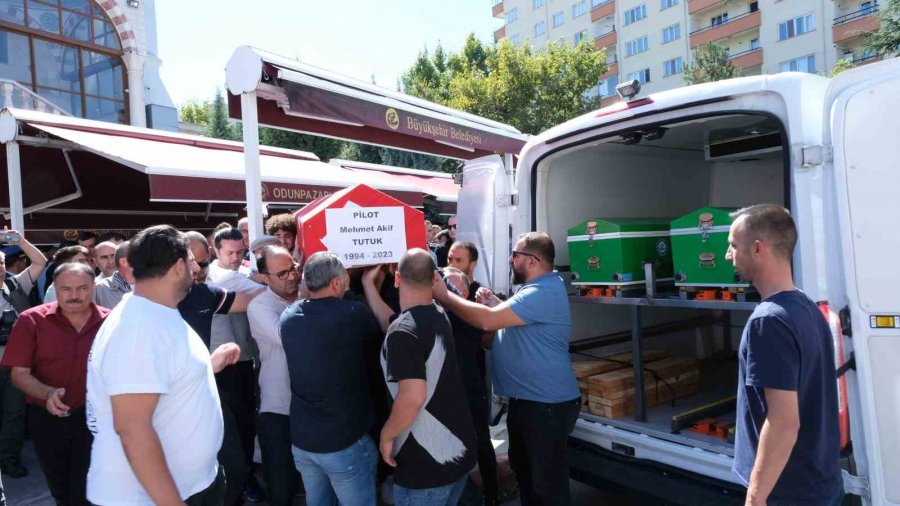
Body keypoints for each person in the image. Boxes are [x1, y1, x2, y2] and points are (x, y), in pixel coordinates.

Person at [85, 225, 241, 505]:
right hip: (155, 497)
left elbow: (163, 373)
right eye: (192, 260)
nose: (196, 267)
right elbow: (132, 428)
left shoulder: (156, 312)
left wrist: (207, 364)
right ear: (179, 266)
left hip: (193, 485)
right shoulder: (138, 328)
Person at [432, 232, 581, 506]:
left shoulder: (541, 291)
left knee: (548, 488)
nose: (511, 260)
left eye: (515, 255)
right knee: (528, 479)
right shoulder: (534, 289)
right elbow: (517, 321)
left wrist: (446, 296)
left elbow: (489, 322)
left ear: (533, 261)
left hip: (545, 406)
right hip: (530, 403)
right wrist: (497, 304)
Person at [724, 204, 843, 506]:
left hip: (788, 492)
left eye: (733, 245)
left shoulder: (769, 321)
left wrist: (755, 496)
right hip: (818, 483)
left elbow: (783, 423)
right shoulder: (806, 306)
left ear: (758, 249)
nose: (728, 255)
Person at [1, 262, 109, 506]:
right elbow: (19, 373)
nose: (74, 295)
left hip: (98, 420)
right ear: (55, 288)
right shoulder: (31, 320)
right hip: (48, 421)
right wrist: (47, 393)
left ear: (93, 287)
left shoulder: (111, 322)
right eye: (66, 289)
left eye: (82, 288)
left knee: (90, 489)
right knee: (61, 487)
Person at [280, 252, 381, 506]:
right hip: (344, 443)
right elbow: (382, 327)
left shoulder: (289, 318)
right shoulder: (353, 314)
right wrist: (369, 283)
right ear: (336, 283)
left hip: (304, 441)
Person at [379, 249, 476, 505]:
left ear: (397, 279)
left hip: (425, 468)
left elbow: (413, 397)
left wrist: (387, 434)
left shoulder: (403, 331)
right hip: (457, 456)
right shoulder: (438, 313)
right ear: (435, 279)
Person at [178, 231, 257, 506]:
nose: (199, 268)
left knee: (233, 468)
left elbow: (251, 301)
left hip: (209, 394)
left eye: (201, 260)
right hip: (171, 409)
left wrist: (275, 280)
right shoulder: (140, 310)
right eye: (191, 261)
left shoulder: (203, 294)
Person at [208, 227, 266, 503]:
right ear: (216, 250)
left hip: (244, 361)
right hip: (219, 365)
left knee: (244, 423)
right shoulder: (224, 277)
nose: (234, 257)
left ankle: (243, 479)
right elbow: (267, 294)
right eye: (229, 252)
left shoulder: (241, 273)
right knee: (230, 427)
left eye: (240, 252)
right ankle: (236, 481)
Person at [247, 246, 301, 505]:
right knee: (281, 485)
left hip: (311, 405)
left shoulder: (305, 294)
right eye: (282, 274)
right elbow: (286, 337)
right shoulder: (259, 306)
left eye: (293, 268)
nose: (292, 277)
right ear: (264, 277)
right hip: (278, 407)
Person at [0, 231, 47, 479]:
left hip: (15, 363)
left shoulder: (14, 284)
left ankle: (9, 459)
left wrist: (19, 241)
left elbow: (40, 262)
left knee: (14, 414)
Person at [93, 241, 133, 310]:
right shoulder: (95, 288)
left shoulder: (145, 283)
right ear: (95, 261)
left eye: (113, 256)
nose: (111, 261)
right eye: (104, 257)